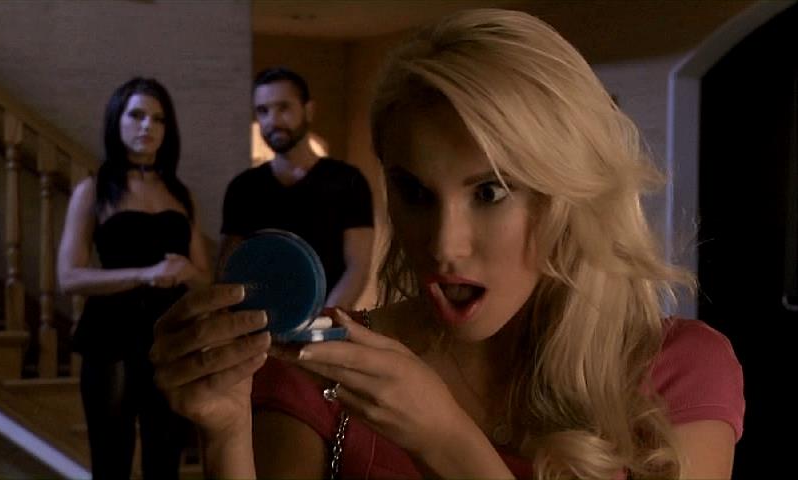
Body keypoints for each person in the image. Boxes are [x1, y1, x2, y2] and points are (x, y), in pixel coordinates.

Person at [150, 9, 744, 479]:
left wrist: (445, 441)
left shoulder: (678, 372)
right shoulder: (324, 370)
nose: (442, 245)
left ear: (568, 192)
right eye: (415, 192)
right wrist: (225, 434)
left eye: (489, 191)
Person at [57, 77, 210, 479]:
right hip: (112, 334)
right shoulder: (94, 190)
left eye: (158, 119)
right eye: (137, 115)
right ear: (117, 121)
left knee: (166, 458)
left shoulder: (181, 194)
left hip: (171, 336)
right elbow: (68, 276)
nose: (147, 126)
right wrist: (147, 274)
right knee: (111, 458)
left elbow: (203, 279)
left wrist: (185, 271)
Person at [217, 67, 374, 309]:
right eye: (263, 111)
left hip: (327, 322)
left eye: (283, 108)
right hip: (257, 322)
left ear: (308, 110)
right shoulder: (244, 187)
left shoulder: (347, 181)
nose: (273, 121)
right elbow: (228, 269)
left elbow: (358, 266)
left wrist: (323, 319)